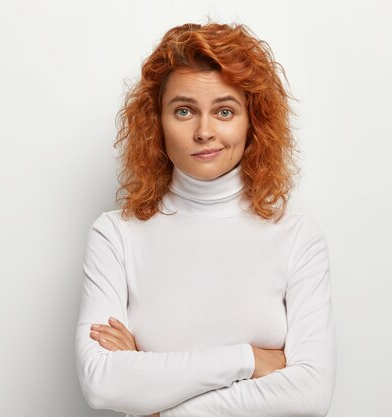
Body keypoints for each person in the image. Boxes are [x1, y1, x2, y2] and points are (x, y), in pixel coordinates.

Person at [75, 21, 336, 417]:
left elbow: (310, 395)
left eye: (225, 111)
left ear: (253, 122)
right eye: (183, 111)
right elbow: (102, 383)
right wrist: (250, 359)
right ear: (155, 122)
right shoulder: (116, 234)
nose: (204, 131)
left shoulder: (297, 237)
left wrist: (158, 405)